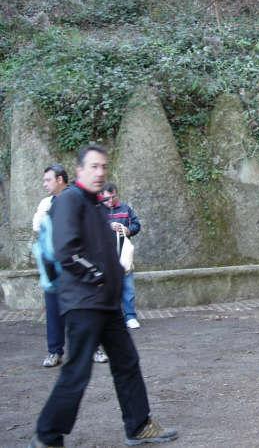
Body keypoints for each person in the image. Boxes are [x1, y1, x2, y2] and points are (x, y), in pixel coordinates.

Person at [29, 144, 177, 448]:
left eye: (103, 167)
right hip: (84, 302)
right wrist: (97, 276)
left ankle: (138, 426)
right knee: (77, 371)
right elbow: (66, 251)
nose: (100, 172)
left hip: (106, 303)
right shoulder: (70, 200)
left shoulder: (96, 204)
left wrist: (111, 281)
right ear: (80, 170)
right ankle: (46, 436)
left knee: (126, 362)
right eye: (93, 166)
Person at [32, 165, 68, 368]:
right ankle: (55, 351)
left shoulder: (76, 199)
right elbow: (37, 226)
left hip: (73, 267)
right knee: (53, 312)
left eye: (48, 180)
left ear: (60, 179)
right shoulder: (46, 203)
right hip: (52, 268)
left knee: (82, 311)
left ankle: (93, 348)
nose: (45, 184)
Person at [101, 183, 141, 329]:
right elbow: (92, 228)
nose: (111, 201)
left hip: (123, 255)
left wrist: (128, 230)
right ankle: (110, 318)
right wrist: (109, 226)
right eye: (107, 198)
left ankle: (130, 316)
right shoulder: (98, 210)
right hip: (105, 256)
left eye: (113, 197)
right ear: (101, 197)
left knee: (128, 286)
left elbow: (136, 225)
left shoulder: (126, 208)